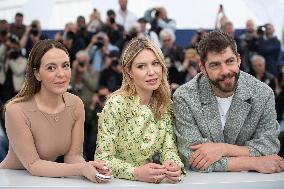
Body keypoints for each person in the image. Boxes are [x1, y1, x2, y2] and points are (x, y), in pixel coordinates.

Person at [0, 39, 111, 183]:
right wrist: (81, 169)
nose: (61, 74)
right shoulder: (15, 109)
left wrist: (90, 167)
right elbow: (33, 165)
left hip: (46, 181)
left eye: (65, 66)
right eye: (51, 68)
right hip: (10, 180)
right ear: (37, 74)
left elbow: (73, 156)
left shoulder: (76, 104)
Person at [173, 30, 283, 173]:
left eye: (229, 61)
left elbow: (269, 146)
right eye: (215, 65)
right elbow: (191, 157)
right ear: (203, 69)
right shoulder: (184, 97)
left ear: (238, 59)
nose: (225, 71)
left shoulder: (262, 93)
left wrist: (223, 148)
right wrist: (253, 162)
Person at [95, 36, 183, 183]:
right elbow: (102, 159)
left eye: (155, 63)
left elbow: (169, 149)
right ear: (129, 71)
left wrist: (173, 165)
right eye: (141, 66)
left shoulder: (165, 104)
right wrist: (135, 172)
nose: (151, 72)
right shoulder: (116, 105)